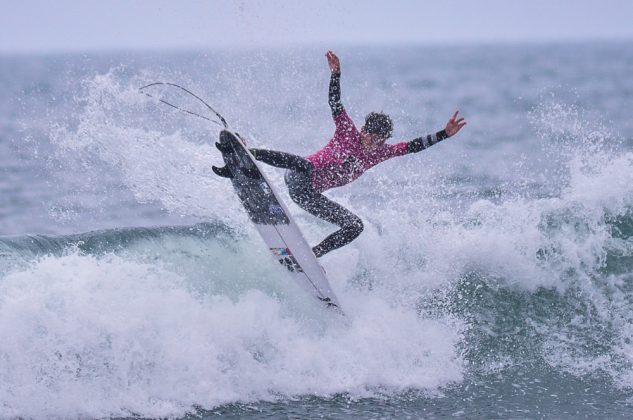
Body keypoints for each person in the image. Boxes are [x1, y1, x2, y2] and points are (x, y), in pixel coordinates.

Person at [249, 51, 466, 258]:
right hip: (297, 176)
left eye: (378, 140)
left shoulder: (381, 153)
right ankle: (252, 153)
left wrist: (444, 134)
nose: (372, 142)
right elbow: (334, 102)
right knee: (306, 165)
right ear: (363, 130)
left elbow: (412, 146)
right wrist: (336, 75)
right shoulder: (347, 131)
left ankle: (314, 254)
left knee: (355, 226)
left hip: (309, 196)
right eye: (370, 135)